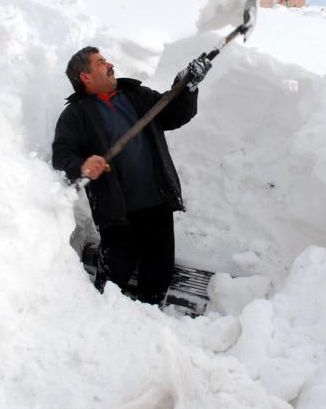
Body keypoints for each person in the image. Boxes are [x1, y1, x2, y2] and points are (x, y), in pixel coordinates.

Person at [52, 45, 211, 305]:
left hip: (158, 204)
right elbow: (61, 156)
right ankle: (103, 323)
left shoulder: (135, 95)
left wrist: (187, 85)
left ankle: (151, 326)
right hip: (118, 214)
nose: (109, 64)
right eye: (101, 61)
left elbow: (172, 114)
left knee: (158, 276)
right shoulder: (76, 115)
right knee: (113, 280)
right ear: (86, 77)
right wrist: (83, 164)